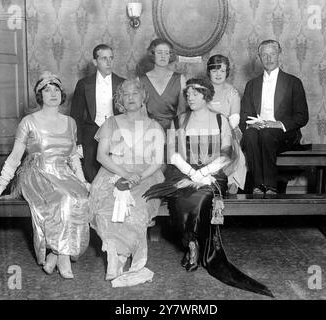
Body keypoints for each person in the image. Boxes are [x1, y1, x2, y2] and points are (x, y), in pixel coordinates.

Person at [143, 78, 273, 297]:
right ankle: (191, 242)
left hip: (213, 175)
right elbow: (172, 154)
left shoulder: (221, 120)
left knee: (201, 199)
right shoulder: (179, 121)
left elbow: (227, 154)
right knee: (180, 199)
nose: (190, 98)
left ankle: (194, 243)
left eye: (195, 94)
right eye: (188, 94)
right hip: (182, 172)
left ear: (207, 95)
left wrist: (202, 175)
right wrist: (191, 173)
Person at [0, 72, 91, 279]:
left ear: (62, 94)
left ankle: (55, 255)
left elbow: (74, 156)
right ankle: (64, 256)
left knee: (81, 197)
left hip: (63, 173)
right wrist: (0, 187)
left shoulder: (70, 122)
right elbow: (15, 157)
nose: (53, 94)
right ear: (40, 96)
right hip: (36, 173)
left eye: (56, 90)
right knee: (65, 198)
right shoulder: (29, 122)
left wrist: (82, 181)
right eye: (47, 90)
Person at [89, 79, 165, 287]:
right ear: (120, 99)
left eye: (135, 93)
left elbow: (157, 161)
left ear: (143, 97)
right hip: (113, 172)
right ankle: (113, 254)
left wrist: (138, 177)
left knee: (136, 207)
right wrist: (124, 173)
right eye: (126, 94)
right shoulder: (111, 122)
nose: (131, 97)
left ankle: (119, 258)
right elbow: (102, 156)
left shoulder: (154, 125)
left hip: (146, 176)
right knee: (107, 207)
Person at [240, 40, 309, 194]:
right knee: (250, 134)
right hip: (258, 131)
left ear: (280, 56)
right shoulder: (252, 84)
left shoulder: (293, 82)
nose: (269, 58)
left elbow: (302, 116)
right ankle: (258, 185)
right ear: (259, 57)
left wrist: (278, 124)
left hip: (284, 134)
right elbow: (244, 114)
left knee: (266, 133)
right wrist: (251, 125)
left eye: (272, 54)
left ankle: (270, 186)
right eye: (264, 55)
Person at [70, 44, 125, 183]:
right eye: (104, 58)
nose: (109, 62)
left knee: (115, 173)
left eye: (111, 58)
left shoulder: (123, 83)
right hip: (91, 134)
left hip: (116, 133)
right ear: (95, 62)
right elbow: (76, 115)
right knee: (90, 172)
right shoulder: (84, 84)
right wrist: (78, 142)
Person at [206, 54, 247, 193]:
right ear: (209, 72)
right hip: (205, 129)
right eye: (214, 71)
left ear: (227, 72)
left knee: (233, 148)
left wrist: (222, 129)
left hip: (229, 129)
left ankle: (233, 181)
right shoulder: (202, 91)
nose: (218, 74)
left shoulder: (232, 92)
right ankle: (208, 180)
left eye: (222, 71)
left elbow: (235, 117)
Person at [139, 38, 186, 132]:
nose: (163, 56)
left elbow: (182, 112)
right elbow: (140, 113)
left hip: (173, 131)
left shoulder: (180, 79)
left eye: (166, 53)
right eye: (159, 52)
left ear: (170, 56)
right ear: (152, 54)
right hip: (148, 131)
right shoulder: (141, 80)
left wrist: (175, 133)